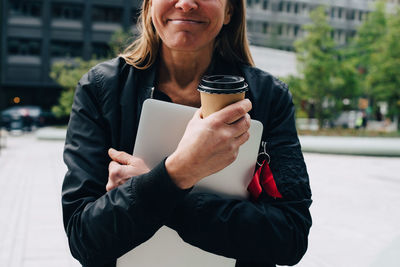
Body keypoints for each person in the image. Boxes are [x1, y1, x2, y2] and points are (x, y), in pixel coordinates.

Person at [61, 0, 312, 267]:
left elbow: (290, 238)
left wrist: (162, 189)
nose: (186, 4)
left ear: (230, 11)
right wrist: (179, 172)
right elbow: (83, 238)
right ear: (149, 6)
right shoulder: (100, 89)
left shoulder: (269, 97)